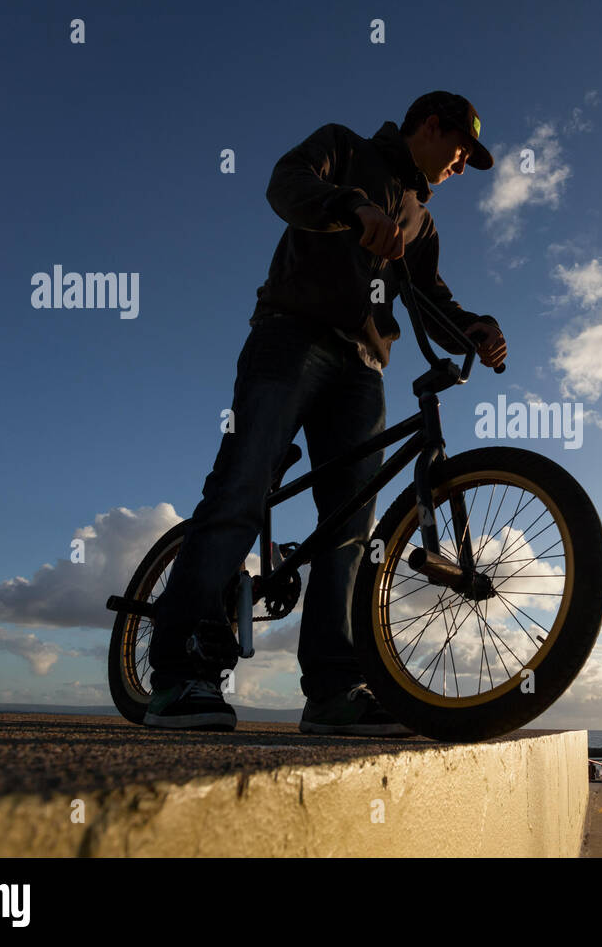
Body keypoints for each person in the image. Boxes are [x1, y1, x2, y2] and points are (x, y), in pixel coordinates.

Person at [144, 92, 507, 733]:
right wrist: (351, 205)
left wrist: (473, 327)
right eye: (460, 152)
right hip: (292, 335)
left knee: (349, 530)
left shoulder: (423, 220)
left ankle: (334, 691)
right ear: (431, 126)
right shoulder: (344, 147)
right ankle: (182, 674)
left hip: (364, 368)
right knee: (241, 492)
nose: (459, 167)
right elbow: (286, 184)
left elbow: (430, 294)